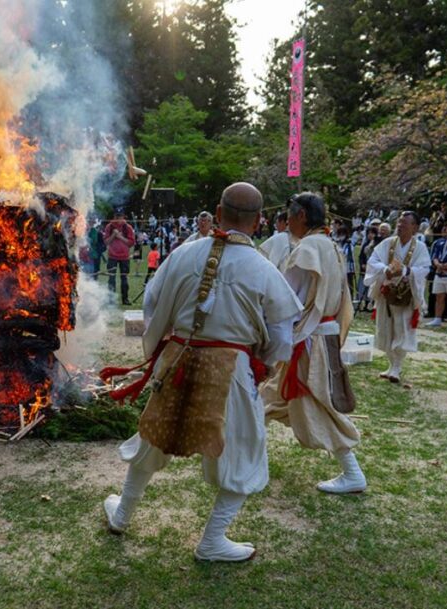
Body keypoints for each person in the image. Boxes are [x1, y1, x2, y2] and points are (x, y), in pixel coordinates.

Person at [101, 183, 302, 562]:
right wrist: (259, 365)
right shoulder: (262, 268)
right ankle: (211, 539)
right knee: (243, 449)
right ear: (259, 221)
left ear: (217, 210)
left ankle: (123, 515)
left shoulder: (184, 253)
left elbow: (152, 304)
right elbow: (280, 336)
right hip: (232, 367)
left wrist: (167, 337)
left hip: (177, 359)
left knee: (152, 439)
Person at [263, 193, 365, 494]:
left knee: (317, 403)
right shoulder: (331, 246)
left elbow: (285, 298)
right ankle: (242, 452)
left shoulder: (308, 247)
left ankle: (353, 472)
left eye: (290, 215)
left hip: (310, 340)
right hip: (321, 334)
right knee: (269, 397)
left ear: (303, 216)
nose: (287, 221)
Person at [364, 211, 431, 383]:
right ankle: (390, 364)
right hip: (386, 292)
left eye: (405, 223)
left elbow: (424, 268)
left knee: (401, 329)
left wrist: (406, 271)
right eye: (399, 222)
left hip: (405, 294)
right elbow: (373, 260)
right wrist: (385, 269)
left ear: (415, 227)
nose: (400, 226)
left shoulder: (420, 248)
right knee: (386, 328)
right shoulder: (387, 243)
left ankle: (397, 367)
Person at [102, 209, 136, 305]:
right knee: (111, 278)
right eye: (116, 216)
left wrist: (120, 237)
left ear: (123, 217)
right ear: (114, 217)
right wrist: (114, 235)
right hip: (112, 256)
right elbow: (106, 242)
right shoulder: (109, 227)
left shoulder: (128, 227)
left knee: (124, 278)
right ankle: (111, 300)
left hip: (124, 257)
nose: (118, 219)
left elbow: (131, 243)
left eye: (120, 216)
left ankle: (125, 299)